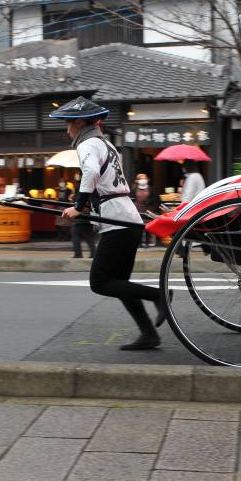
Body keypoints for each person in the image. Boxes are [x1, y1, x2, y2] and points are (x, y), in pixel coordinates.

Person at [56, 96, 166, 350]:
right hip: (128, 219)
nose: (67, 129)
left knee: (100, 283)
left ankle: (157, 295)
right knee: (121, 284)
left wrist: (79, 206)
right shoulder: (106, 144)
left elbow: (92, 173)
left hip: (117, 221)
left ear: (80, 122)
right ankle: (149, 334)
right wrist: (81, 205)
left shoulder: (87, 145)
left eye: (68, 124)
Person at [132, 172, 159, 247]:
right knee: (139, 225)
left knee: (148, 225)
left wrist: (149, 202)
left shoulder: (150, 189)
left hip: (148, 207)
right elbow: (132, 196)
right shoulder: (134, 188)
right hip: (137, 207)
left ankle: (147, 241)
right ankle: (140, 242)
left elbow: (154, 198)